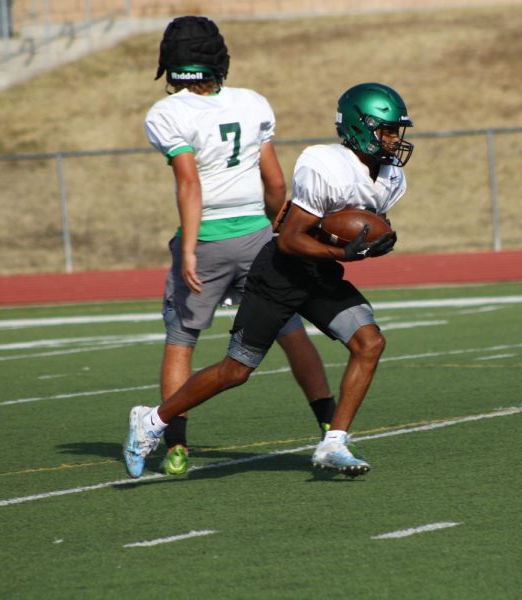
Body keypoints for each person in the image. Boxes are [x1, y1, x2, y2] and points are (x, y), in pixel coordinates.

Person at [124, 81, 414, 478]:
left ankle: (334, 442)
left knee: (370, 342)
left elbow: (354, 226)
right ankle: (152, 420)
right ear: (360, 127)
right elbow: (291, 239)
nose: (394, 140)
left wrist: (371, 240)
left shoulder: (392, 177)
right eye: (387, 130)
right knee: (236, 370)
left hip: (320, 273)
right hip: (280, 273)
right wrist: (344, 252)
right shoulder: (324, 164)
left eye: (396, 131)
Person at [135, 16, 337, 478]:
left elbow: (189, 183)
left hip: (208, 237)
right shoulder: (251, 102)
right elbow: (275, 180)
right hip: (258, 237)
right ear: (218, 59)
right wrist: (277, 230)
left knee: (182, 339)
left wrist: (188, 246)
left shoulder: (166, 113)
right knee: (290, 329)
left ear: (169, 62)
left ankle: (176, 446)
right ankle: (330, 425)